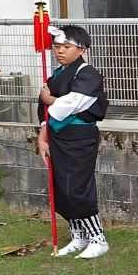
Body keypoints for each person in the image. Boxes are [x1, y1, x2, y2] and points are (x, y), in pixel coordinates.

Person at [37, 25, 109, 259]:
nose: (60, 51)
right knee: (62, 189)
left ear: (82, 50)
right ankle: (78, 236)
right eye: (57, 47)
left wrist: (49, 98)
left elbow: (73, 103)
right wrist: (42, 138)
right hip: (57, 138)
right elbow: (45, 112)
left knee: (77, 187)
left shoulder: (88, 73)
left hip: (79, 139)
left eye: (66, 47)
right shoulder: (57, 74)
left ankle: (98, 238)